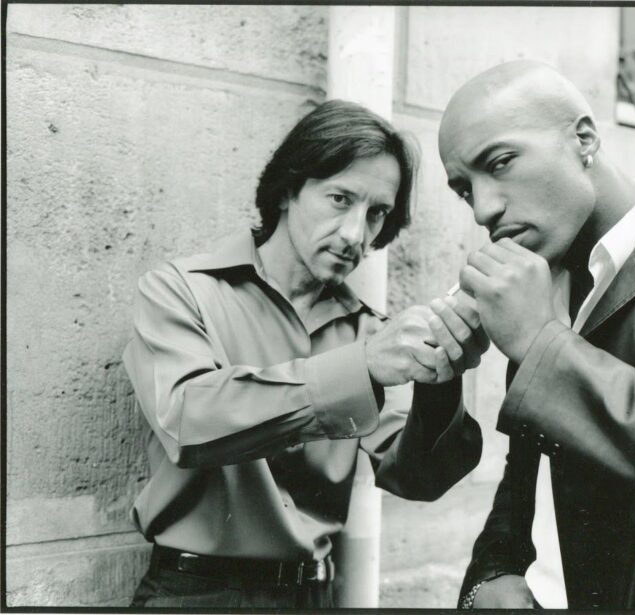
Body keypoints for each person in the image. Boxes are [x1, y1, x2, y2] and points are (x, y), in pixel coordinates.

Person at [123, 99, 487, 608]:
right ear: (288, 189)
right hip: (195, 594)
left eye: (376, 213)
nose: (356, 234)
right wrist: (360, 367)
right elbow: (185, 420)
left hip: (312, 596)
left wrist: (440, 371)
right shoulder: (180, 290)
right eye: (340, 199)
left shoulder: (367, 330)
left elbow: (419, 478)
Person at [438, 61, 635, 610]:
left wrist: (541, 344)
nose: (484, 208)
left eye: (501, 162)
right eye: (465, 189)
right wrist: (490, 575)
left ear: (583, 139)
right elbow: (532, 478)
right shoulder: (547, 278)